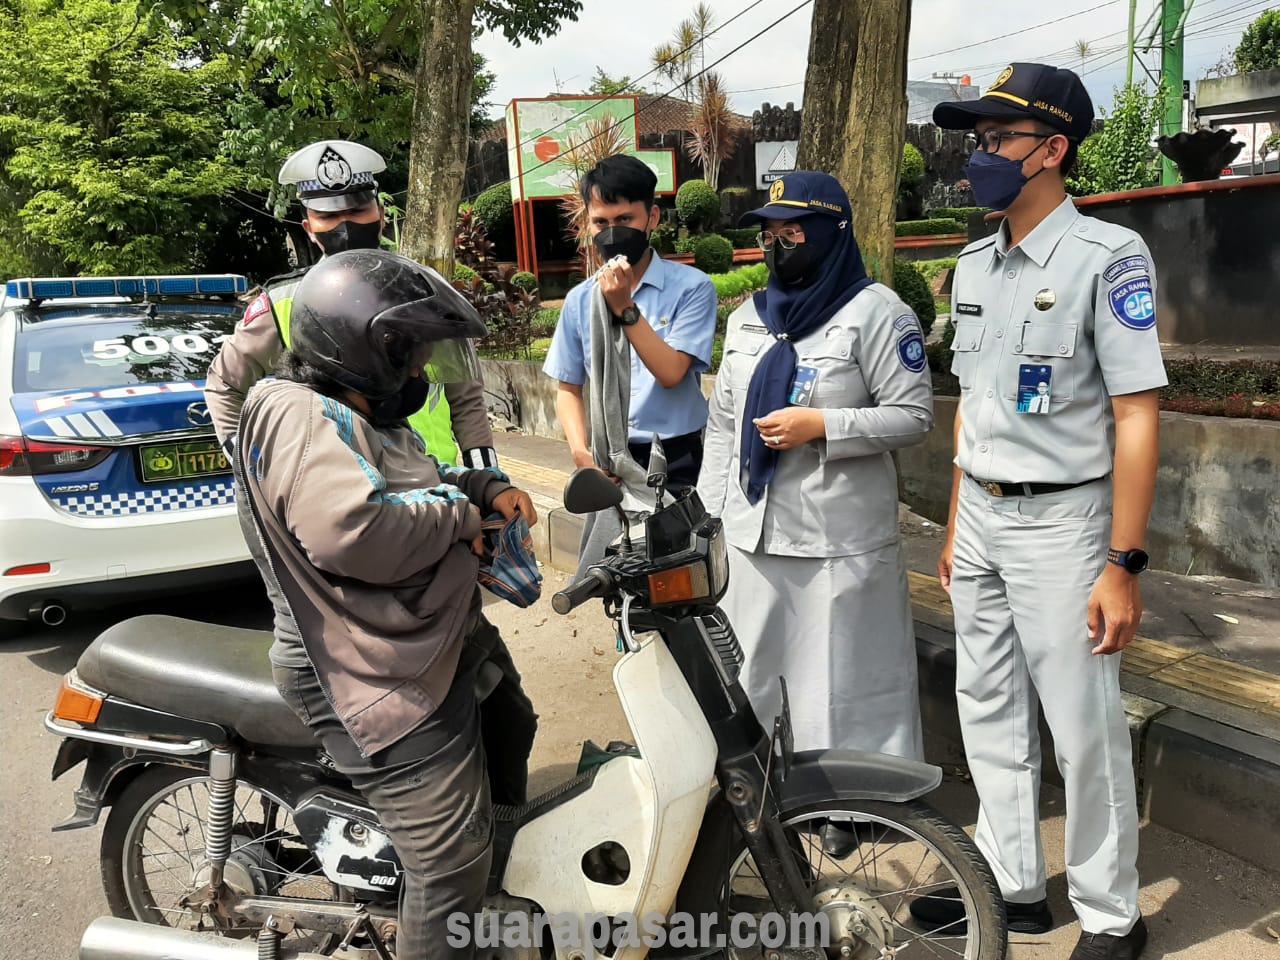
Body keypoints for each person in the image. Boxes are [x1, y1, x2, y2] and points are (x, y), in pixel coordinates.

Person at [910, 63, 1166, 960]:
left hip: (1065, 525)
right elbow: (976, 408)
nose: (975, 157)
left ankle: (1110, 913)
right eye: (974, 141)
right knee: (985, 704)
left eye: (996, 141)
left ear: (1053, 151)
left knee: (1081, 723)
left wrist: (1122, 564)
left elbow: (1136, 415)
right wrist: (953, 524)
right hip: (978, 515)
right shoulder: (975, 262)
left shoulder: (1107, 259)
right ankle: (1010, 883)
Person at [236, 249, 538, 960]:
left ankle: (487, 907)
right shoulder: (298, 417)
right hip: (365, 668)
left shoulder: (354, 410)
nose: (422, 374)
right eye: (411, 357)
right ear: (363, 350)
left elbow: (416, 479)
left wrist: (482, 490)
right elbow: (357, 530)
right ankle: (452, 916)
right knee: (449, 857)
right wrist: (461, 517)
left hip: (425, 639)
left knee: (511, 724)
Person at [206, 140, 497, 688]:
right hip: (346, 501)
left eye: (356, 209)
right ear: (308, 223)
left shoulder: (416, 289)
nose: (345, 224)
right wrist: (257, 471)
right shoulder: (285, 302)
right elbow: (226, 384)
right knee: (343, 643)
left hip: (434, 486)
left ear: (380, 210)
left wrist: (487, 475)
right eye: (328, 213)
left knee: (462, 641)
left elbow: (465, 392)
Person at [698, 171, 934, 775]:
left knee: (844, 674)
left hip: (838, 535)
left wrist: (823, 425)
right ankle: (769, 786)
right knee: (757, 666)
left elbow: (912, 418)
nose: (778, 243)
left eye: (793, 230)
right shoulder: (749, 317)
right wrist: (709, 517)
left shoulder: (878, 313)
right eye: (769, 232)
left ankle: (859, 795)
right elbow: (723, 424)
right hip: (755, 532)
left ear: (832, 232)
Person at [542, 154, 717, 576]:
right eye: (601, 222)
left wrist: (624, 308)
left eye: (625, 218)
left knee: (680, 572)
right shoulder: (580, 300)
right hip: (608, 461)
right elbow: (568, 387)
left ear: (652, 217)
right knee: (616, 575)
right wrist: (582, 453)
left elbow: (673, 373)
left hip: (675, 458)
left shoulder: (691, 289)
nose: (613, 231)